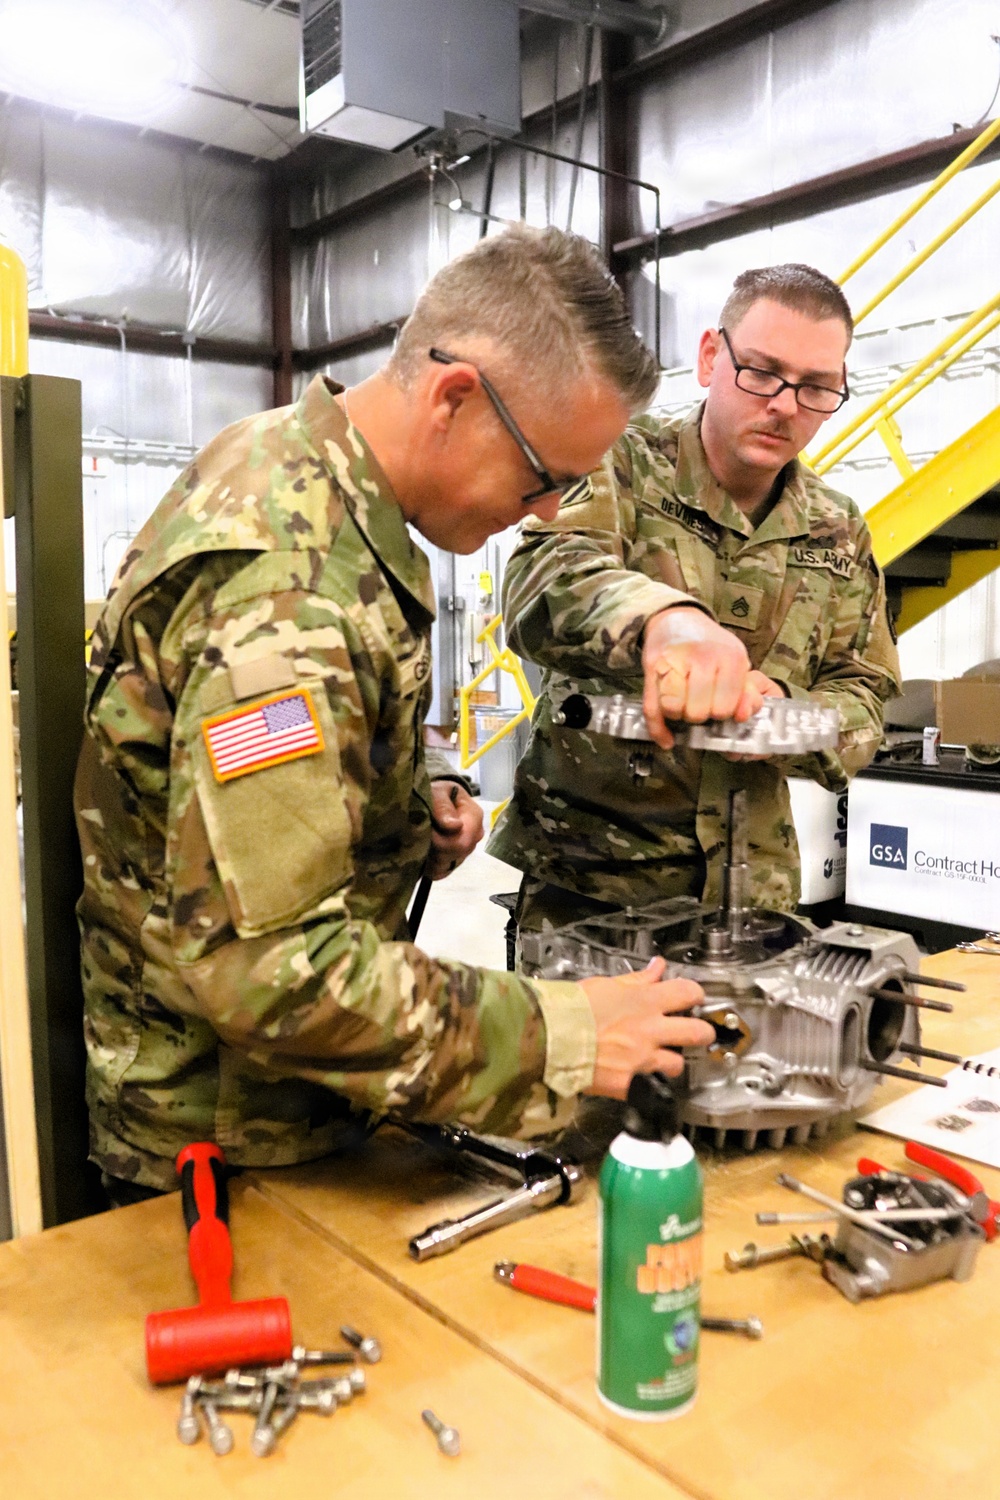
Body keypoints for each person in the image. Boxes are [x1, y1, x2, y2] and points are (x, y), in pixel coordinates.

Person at [75, 226, 721, 1198]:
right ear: (454, 397)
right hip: (226, 1147)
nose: (545, 512)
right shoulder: (292, 583)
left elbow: (255, 749)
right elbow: (273, 972)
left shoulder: (307, 477)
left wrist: (409, 791)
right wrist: (566, 1033)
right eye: (543, 477)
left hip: (295, 1101)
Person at [488, 263, 902, 936]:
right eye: (762, 372)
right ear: (711, 356)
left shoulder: (839, 527)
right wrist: (662, 625)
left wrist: (785, 721)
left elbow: (865, 696)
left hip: (753, 896)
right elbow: (543, 584)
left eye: (819, 388)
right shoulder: (617, 463)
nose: (785, 406)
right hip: (593, 892)